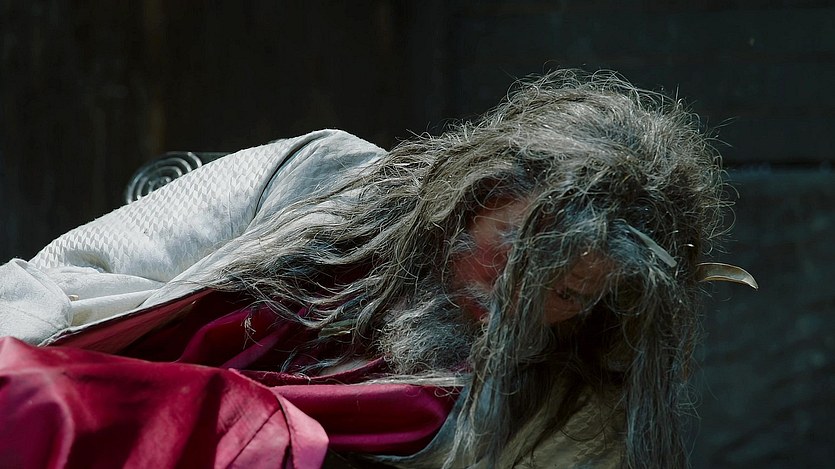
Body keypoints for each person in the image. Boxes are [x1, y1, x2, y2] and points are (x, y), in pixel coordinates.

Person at [0, 70, 754, 468]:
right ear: (476, 193)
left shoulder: (569, 415)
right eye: (510, 247)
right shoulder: (318, 172)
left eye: (566, 291)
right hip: (98, 412)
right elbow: (66, 272)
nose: (520, 299)